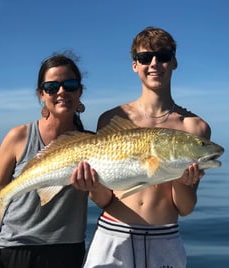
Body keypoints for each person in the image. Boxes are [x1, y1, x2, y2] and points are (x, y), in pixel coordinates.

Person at [72, 27, 211, 268]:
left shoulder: (195, 128)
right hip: (112, 236)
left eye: (163, 56)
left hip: (164, 240)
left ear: (174, 62)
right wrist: (91, 187)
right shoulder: (113, 118)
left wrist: (182, 181)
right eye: (145, 58)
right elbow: (105, 198)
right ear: (135, 65)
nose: (154, 64)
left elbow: (185, 208)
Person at [0, 51, 90, 268]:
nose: (62, 91)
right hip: (16, 248)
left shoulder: (93, 143)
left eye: (70, 84)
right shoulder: (19, 137)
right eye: (51, 87)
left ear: (80, 91)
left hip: (69, 250)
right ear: (41, 94)